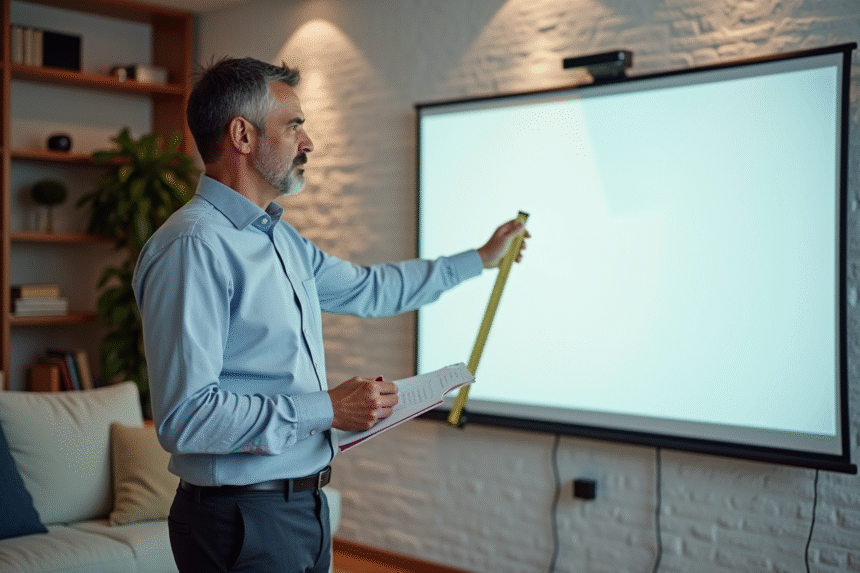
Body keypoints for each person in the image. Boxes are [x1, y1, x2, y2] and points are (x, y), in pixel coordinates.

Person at [132, 57, 529, 573]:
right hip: (240, 519)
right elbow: (188, 418)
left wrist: (479, 259)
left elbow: (371, 289)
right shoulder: (193, 247)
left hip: (302, 507)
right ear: (242, 136)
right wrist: (327, 409)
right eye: (293, 125)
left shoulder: (280, 240)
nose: (308, 142)